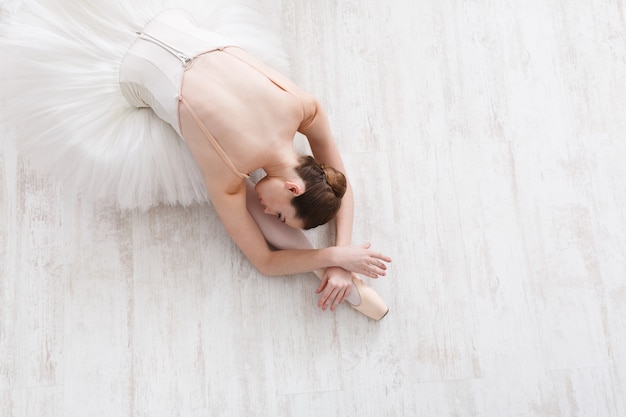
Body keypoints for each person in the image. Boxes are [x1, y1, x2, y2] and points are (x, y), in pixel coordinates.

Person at [1, 3, 391, 319]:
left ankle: (340, 281)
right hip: (114, 68)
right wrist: (336, 256)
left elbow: (342, 182)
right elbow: (265, 261)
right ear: (293, 187)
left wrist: (344, 256)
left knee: (250, 188)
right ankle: (339, 283)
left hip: (164, 15)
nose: (270, 214)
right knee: (245, 191)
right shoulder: (227, 174)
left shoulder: (304, 106)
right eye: (282, 215)